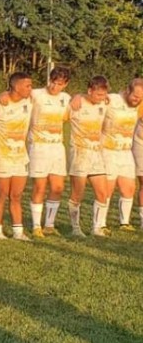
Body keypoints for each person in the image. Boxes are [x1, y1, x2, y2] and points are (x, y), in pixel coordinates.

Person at [26, 67, 71, 237]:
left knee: (58, 187)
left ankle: (49, 224)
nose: (54, 86)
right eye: (53, 81)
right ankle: (36, 225)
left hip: (57, 147)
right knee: (39, 186)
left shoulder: (66, 99)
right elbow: (15, 96)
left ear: (65, 84)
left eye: (59, 84)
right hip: (38, 146)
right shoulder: (36, 94)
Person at [0, 72, 33, 240]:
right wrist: (3, 94)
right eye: (27, 85)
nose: (31, 89)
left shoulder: (29, 102)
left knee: (16, 196)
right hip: (1, 157)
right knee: (1, 194)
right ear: (16, 86)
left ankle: (18, 232)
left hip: (20, 157)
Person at [67, 76, 109, 237]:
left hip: (96, 154)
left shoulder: (105, 104)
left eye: (103, 95)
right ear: (89, 91)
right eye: (98, 95)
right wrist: (76, 96)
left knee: (102, 193)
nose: (101, 98)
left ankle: (97, 228)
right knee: (78, 193)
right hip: (79, 154)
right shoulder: (76, 104)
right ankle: (75, 228)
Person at [101, 78, 143, 230]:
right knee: (107, 189)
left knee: (129, 188)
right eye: (135, 96)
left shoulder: (138, 106)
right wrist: (79, 98)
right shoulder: (111, 100)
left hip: (126, 152)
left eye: (141, 98)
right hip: (108, 150)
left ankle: (124, 222)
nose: (137, 100)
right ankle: (100, 223)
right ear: (127, 90)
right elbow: (91, 101)